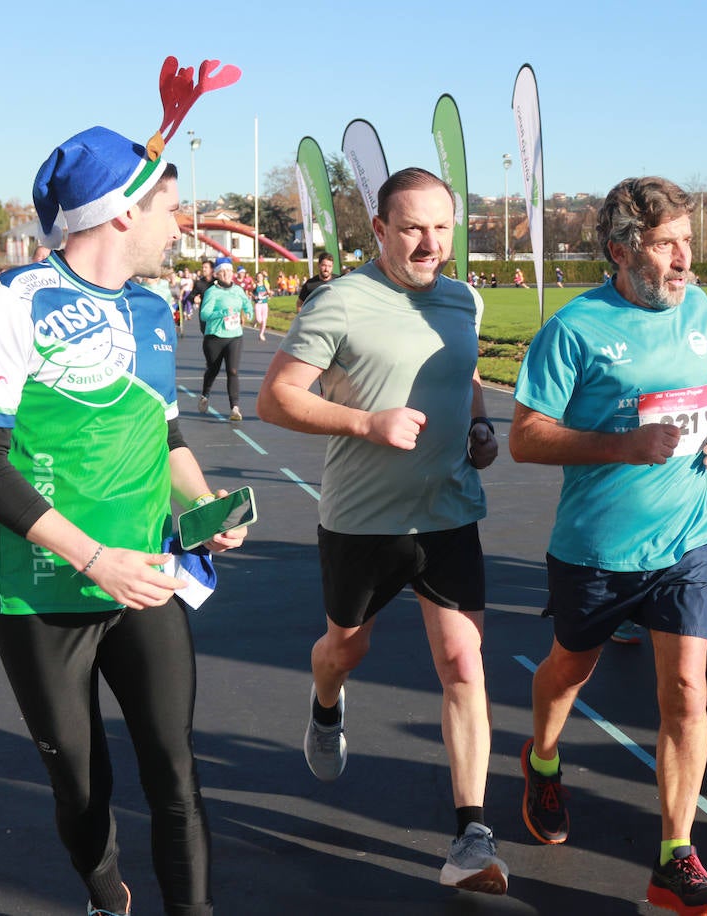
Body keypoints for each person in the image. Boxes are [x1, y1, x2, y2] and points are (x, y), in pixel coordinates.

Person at [0, 125, 246, 916]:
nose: (180, 224)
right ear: (120, 212)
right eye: (171, 207)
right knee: (81, 788)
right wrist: (93, 558)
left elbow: (162, 431)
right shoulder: (9, 302)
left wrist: (201, 504)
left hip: (145, 580)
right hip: (42, 588)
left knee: (176, 774)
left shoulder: (154, 311)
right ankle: (106, 898)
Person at [257, 167, 508, 895]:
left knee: (465, 663)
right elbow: (277, 398)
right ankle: (326, 704)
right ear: (380, 231)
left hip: (450, 511)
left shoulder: (464, 299)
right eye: (412, 229)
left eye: (442, 227)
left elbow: (463, 376)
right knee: (346, 647)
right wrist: (367, 422)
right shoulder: (341, 302)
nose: (431, 244)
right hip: (362, 520)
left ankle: (471, 836)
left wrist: (483, 424)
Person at [510, 176, 707, 916]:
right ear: (622, 249)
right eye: (668, 245)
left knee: (687, 693)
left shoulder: (699, 309)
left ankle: (676, 857)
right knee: (568, 673)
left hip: (688, 536)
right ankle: (542, 756)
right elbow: (525, 437)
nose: (686, 262)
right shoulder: (573, 330)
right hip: (598, 549)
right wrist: (625, 445)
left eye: (688, 244)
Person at [197, 257, 254, 421]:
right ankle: (205, 394)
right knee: (213, 369)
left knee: (233, 371)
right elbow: (204, 314)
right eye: (222, 271)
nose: (226, 274)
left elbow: (246, 304)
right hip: (214, 337)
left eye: (229, 271)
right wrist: (222, 314)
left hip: (234, 336)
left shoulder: (238, 290)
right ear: (217, 274)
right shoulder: (212, 292)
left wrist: (249, 312)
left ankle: (234, 408)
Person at [190, 257, 215, 332]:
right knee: (205, 332)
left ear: (211, 269)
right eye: (203, 267)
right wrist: (194, 298)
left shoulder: (217, 283)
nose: (203, 269)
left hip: (216, 312)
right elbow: (191, 296)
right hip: (204, 312)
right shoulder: (199, 283)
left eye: (206, 267)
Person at [253, 269, 271, 341]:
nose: (260, 278)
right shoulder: (255, 285)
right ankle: (255, 321)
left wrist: (268, 294)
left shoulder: (265, 285)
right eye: (258, 276)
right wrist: (254, 296)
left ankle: (261, 334)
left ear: (263, 278)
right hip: (258, 304)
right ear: (256, 278)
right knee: (259, 320)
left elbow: (269, 292)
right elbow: (251, 293)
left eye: (261, 276)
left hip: (264, 304)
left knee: (264, 320)